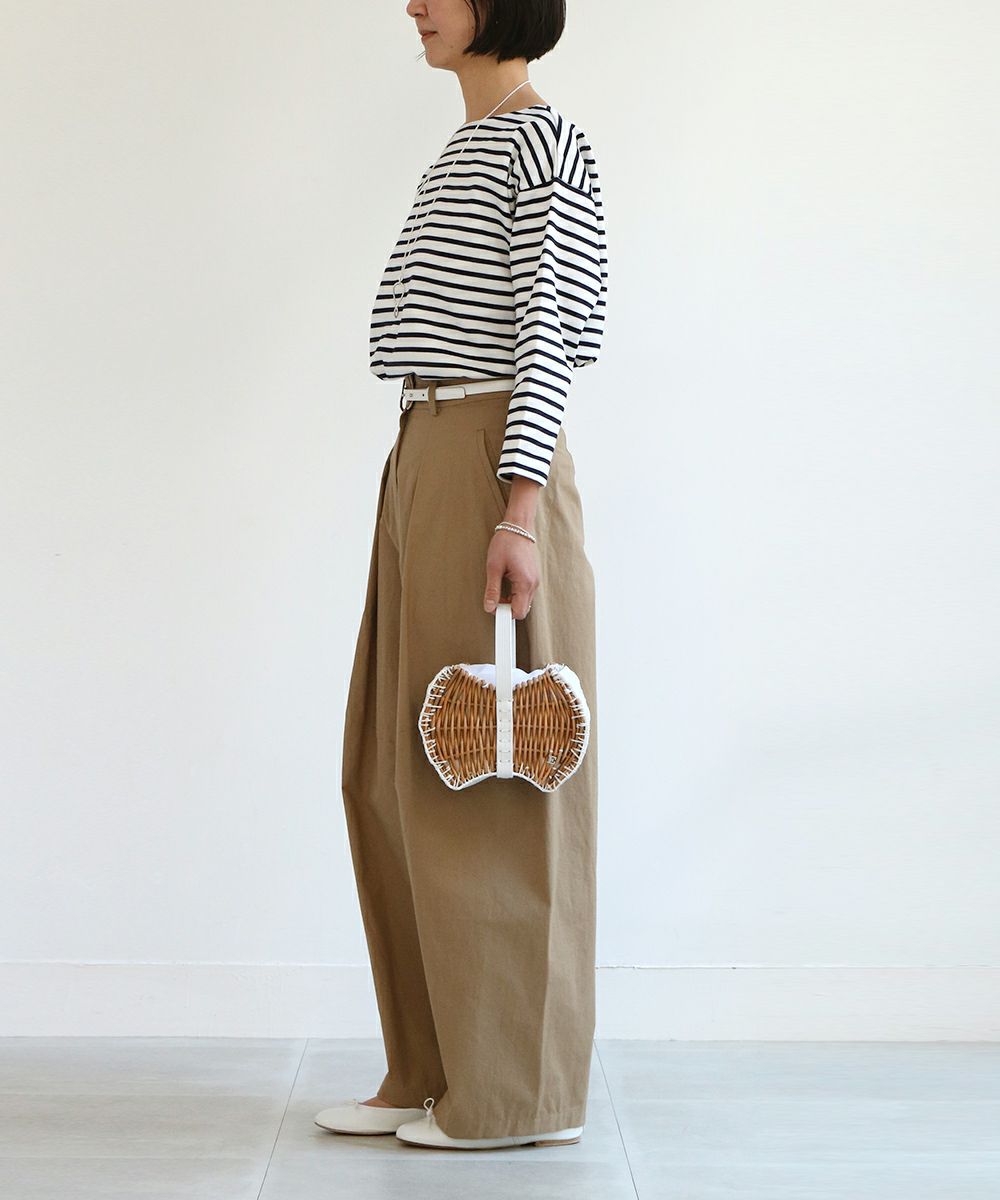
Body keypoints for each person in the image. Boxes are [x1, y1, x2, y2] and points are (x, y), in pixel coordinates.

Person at [315, 0, 608, 1151]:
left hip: (490, 457)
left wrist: (519, 507)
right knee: (393, 766)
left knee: (492, 774)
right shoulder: (470, 145)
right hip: (424, 447)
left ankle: (511, 1096)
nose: (414, 3)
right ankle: (427, 1067)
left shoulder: (545, 140)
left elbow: (553, 328)